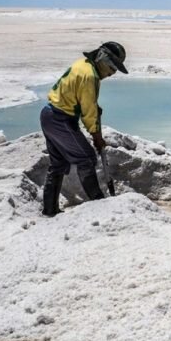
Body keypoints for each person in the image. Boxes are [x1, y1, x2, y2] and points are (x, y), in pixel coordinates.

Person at [40, 41, 129, 217]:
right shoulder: (91, 76)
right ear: (102, 58)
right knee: (86, 157)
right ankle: (99, 205)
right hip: (61, 119)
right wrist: (96, 135)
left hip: (49, 114)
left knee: (58, 164)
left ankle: (50, 210)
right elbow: (88, 112)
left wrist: (94, 108)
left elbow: (82, 99)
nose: (112, 73)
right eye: (112, 67)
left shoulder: (84, 65)